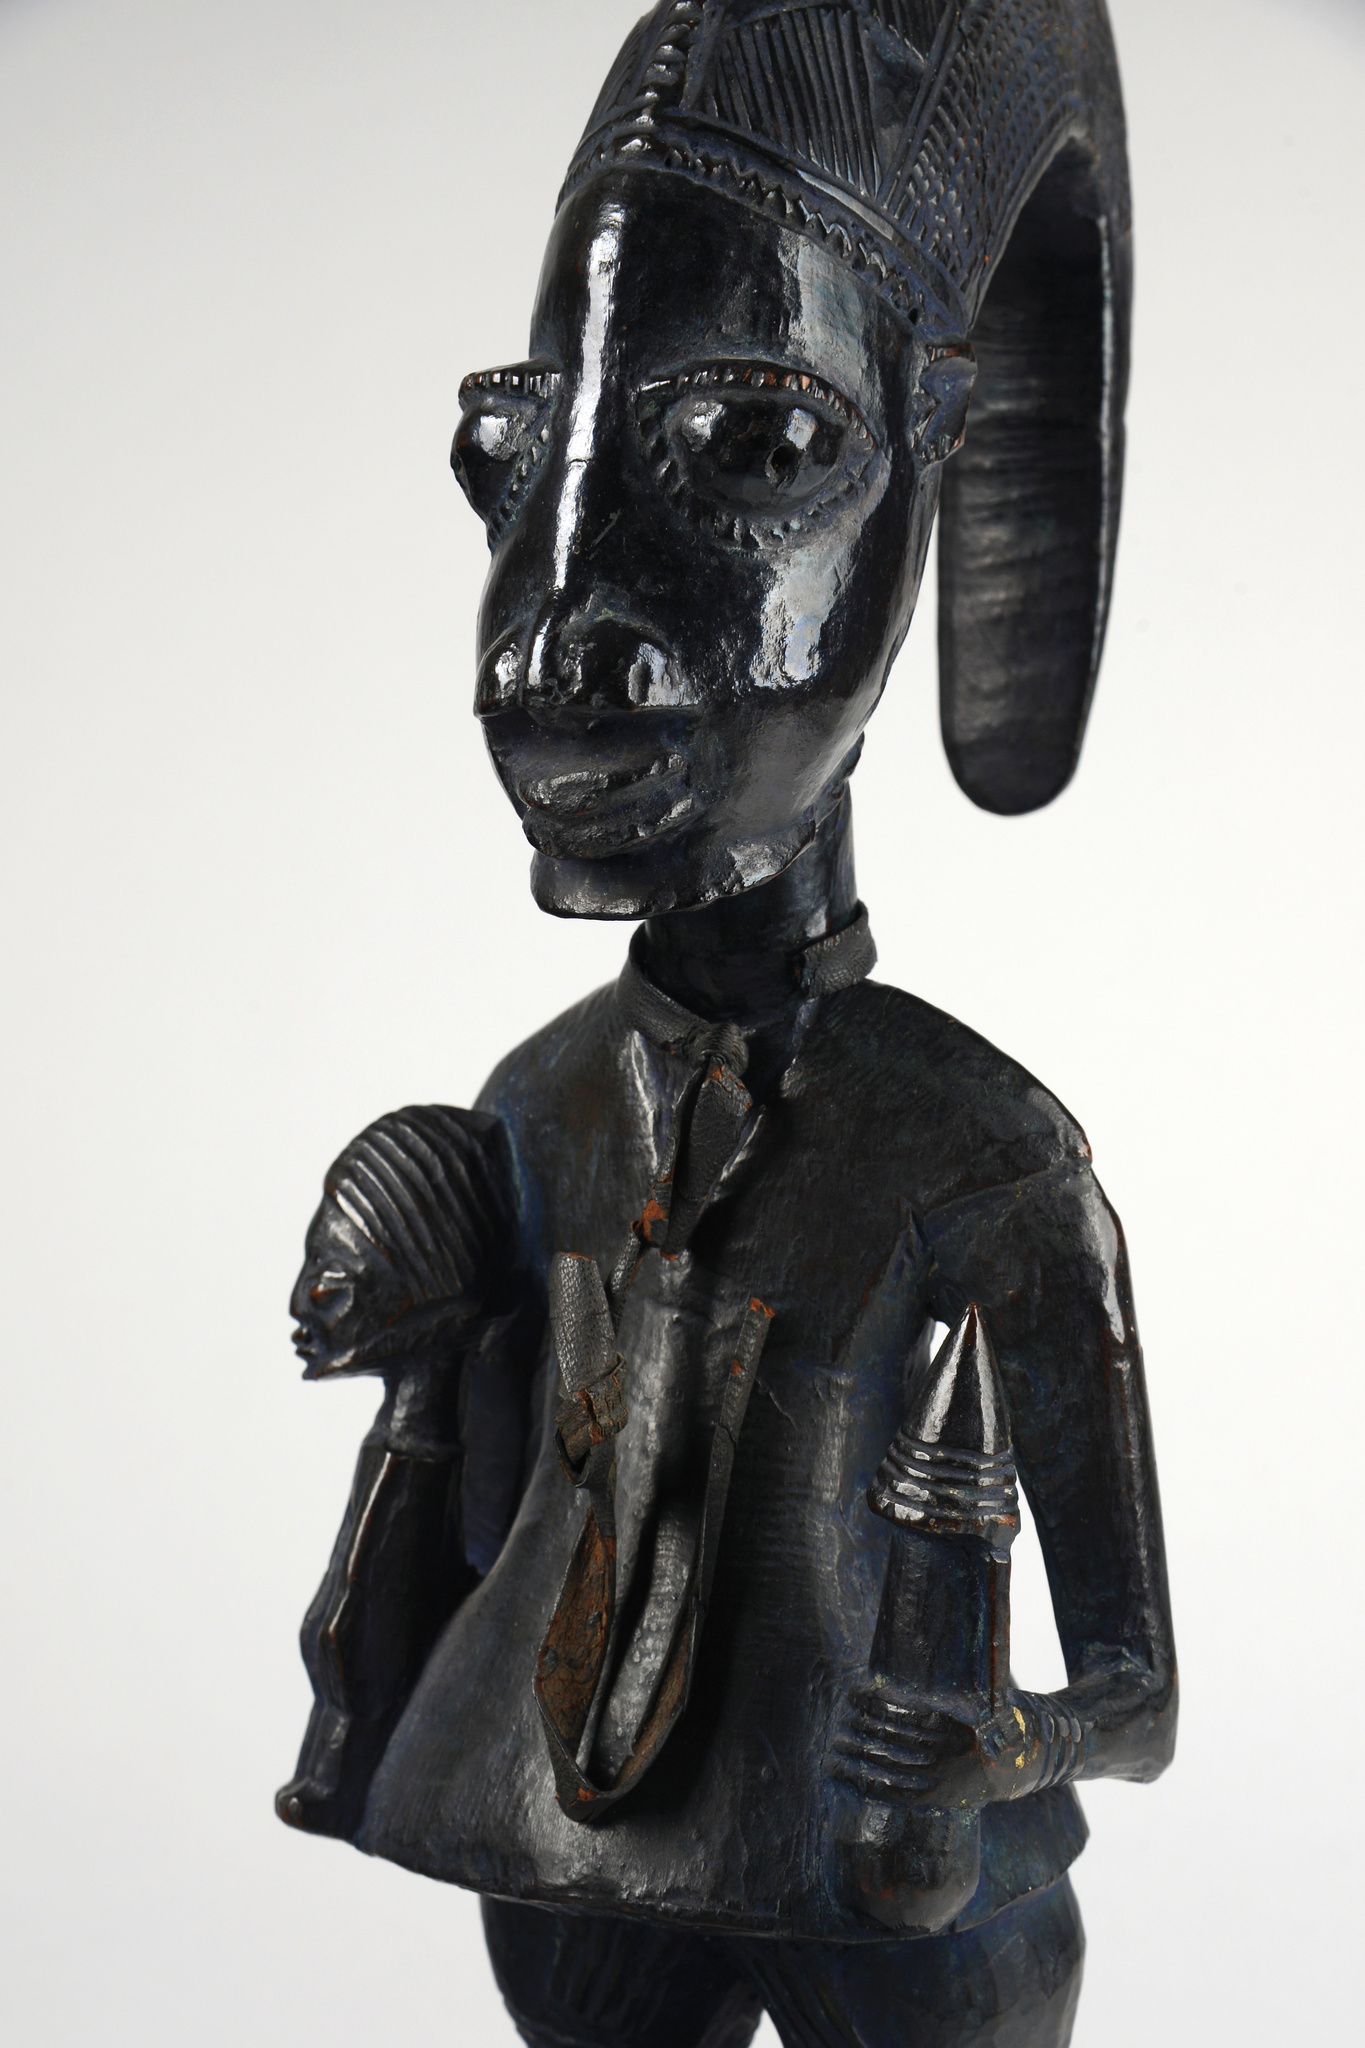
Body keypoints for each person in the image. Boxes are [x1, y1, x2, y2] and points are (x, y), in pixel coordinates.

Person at [280, 7, 1175, 2042]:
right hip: (561, 1846)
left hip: (896, 1884)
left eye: (762, 445)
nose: (541, 647)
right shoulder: (535, 1109)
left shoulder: (979, 1154)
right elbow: (484, 1520)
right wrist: (420, 1366)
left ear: (929, 465)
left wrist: (1007, 1740)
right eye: (518, 466)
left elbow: (1138, 1694)